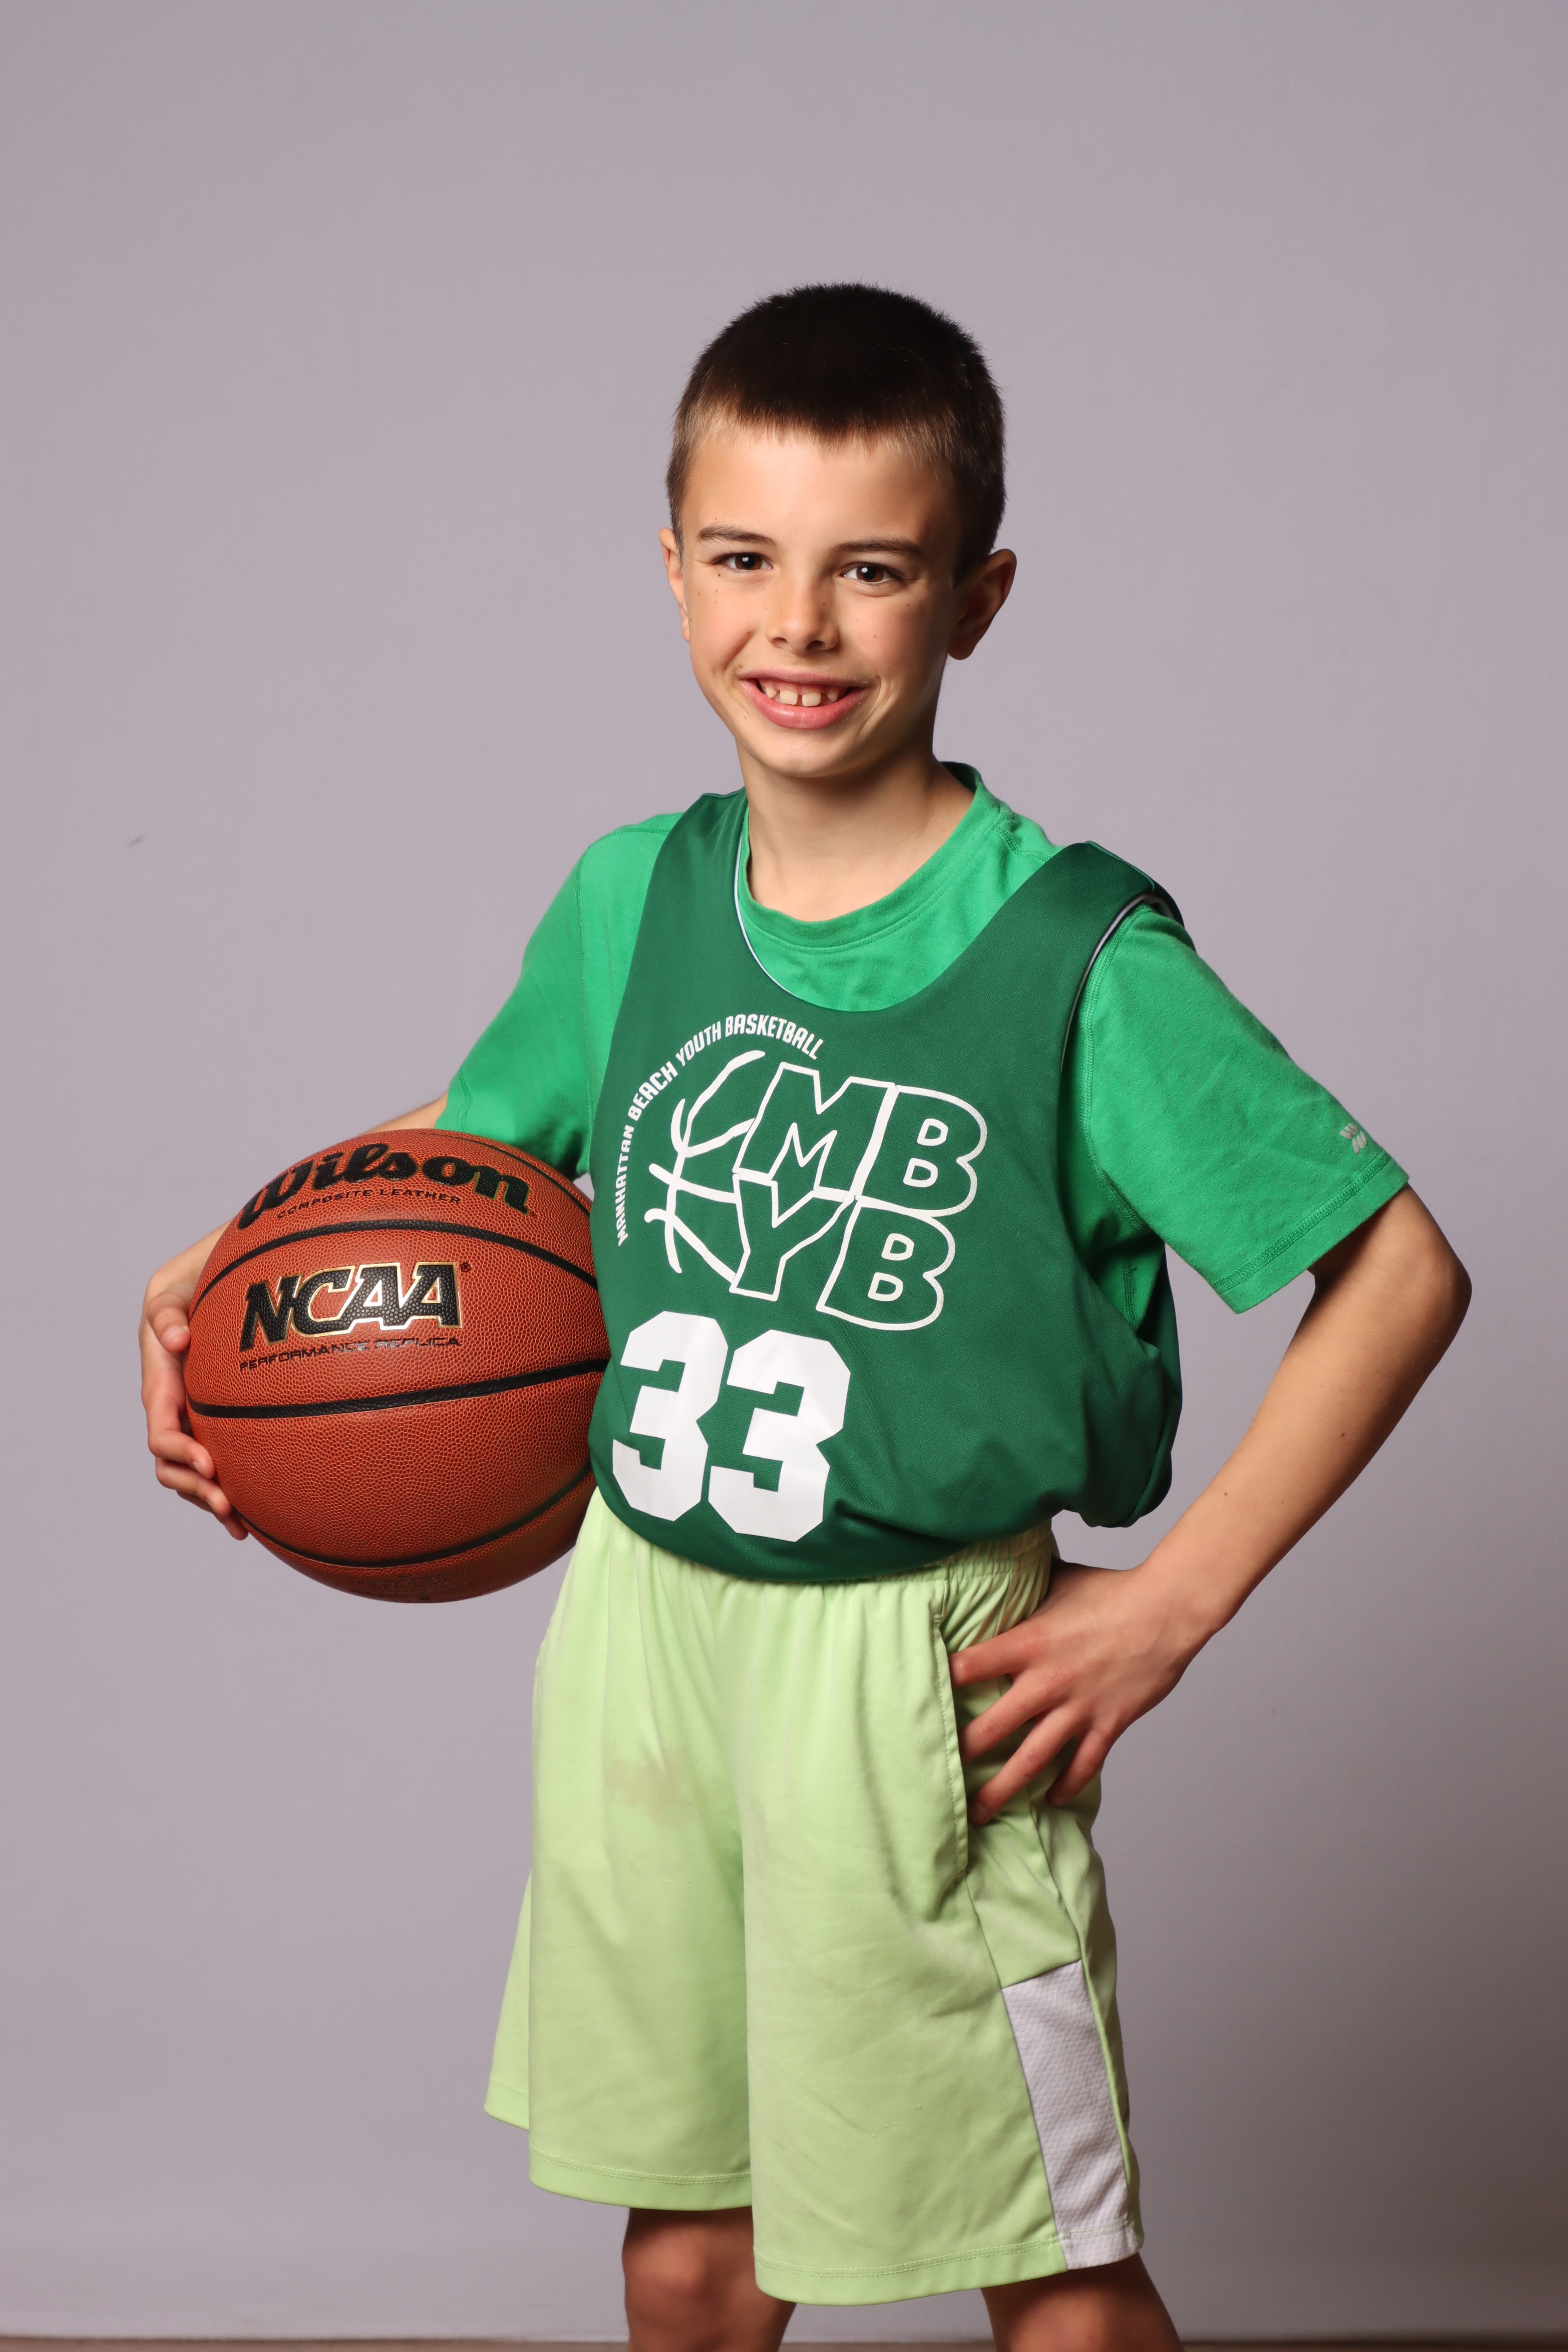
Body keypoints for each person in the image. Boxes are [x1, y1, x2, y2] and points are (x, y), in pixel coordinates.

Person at [140, 285, 1470, 2352]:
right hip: (647, 1630)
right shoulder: (635, 899)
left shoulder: (1076, 956)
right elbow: (461, 1171)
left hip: (912, 1668)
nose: (800, 625)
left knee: (1045, 2264)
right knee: (689, 2256)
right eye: (746, 559)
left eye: (872, 570)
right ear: (672, 571)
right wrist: (235, 1274)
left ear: (976, 597)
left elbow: (1396, 1269)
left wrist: (1174, 1605)